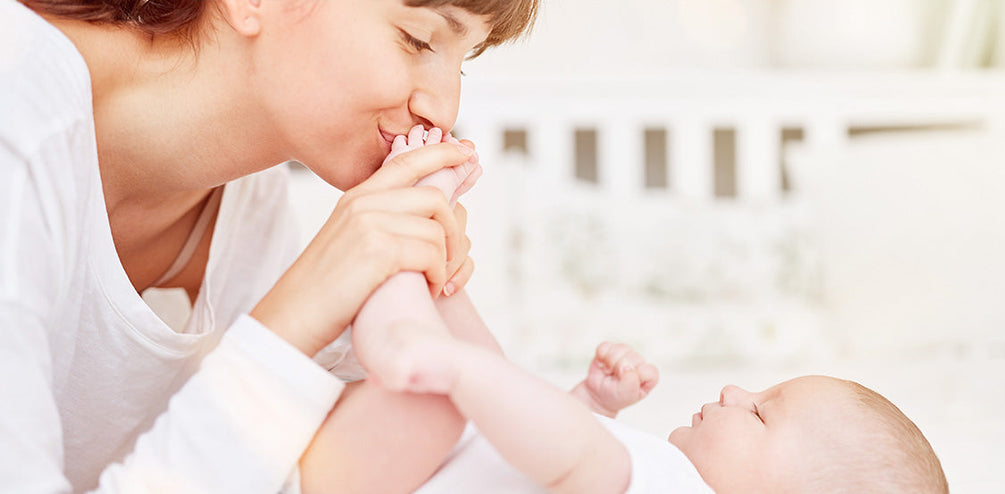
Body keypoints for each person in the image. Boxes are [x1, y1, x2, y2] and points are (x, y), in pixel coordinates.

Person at [0, 0, 537, 492]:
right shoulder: (16, 106)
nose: (444, 110)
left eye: (462, 62)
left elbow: (307, 470)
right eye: (418, 40)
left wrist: (419, 291)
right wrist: (295, 313)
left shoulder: (247, 201)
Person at [356, 321, 951, 494]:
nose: (733, 393)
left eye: (761, 413)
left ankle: (420, 234)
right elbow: (551, 466)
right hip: (430, 464)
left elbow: (572, 455)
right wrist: (590, 405)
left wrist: (464, 370)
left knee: (471, 360)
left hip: (391, 470)